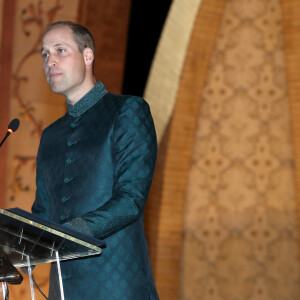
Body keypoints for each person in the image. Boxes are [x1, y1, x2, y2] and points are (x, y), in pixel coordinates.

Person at [31, 21, 159, 300]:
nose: (49, 61)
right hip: (62, 292)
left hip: (117, 289)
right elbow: (42, 213)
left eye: (60, 50)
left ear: (88, 56)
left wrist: (68, 233)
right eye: (44, 54)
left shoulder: (127, 111)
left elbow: (131, 199)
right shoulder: (50, 136)